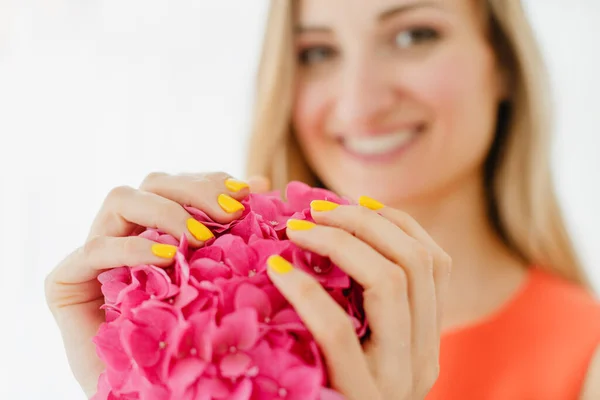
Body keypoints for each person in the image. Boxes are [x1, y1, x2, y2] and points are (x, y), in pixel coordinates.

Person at [45, 0, 600, 398]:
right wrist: (137, 383)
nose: (360, 102)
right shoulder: (207, 332)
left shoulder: (586, 359)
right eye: (316, 51)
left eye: (414, 35)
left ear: (502, 62)